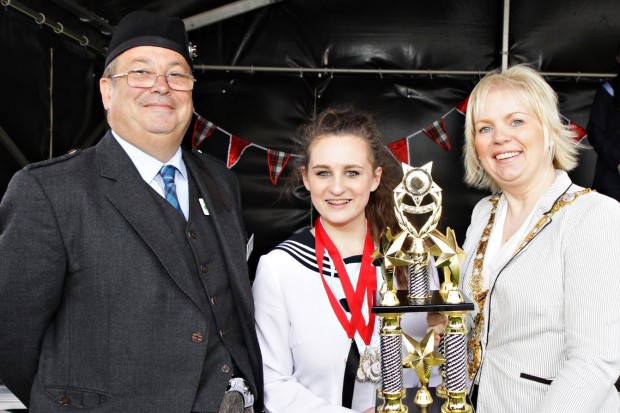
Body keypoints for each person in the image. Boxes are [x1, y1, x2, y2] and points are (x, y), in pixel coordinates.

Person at [0, 10, 262, 413]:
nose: (161, 87)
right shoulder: (49, 190)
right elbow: (11, 337)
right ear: (107, 91)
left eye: (177, 75)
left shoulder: (219, 180)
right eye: (140, 73)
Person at [429, 64, 620, 412]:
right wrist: (453, 323)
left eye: (516, 121)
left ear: (548, 129)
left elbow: (594, 363)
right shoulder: (484, 213)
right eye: (485, 128)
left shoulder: (594, 215)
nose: (500, 137)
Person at [252, 107, 440, 413]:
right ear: (306, 178)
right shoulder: (280, 267)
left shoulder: (412, 258)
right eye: (323, 172)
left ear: (375, 178)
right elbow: (271, 382)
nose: (337, 187)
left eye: (352, 172)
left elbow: (435, 368)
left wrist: (442, 334)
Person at [586, 42, 620, 202]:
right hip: (611, 178)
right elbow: (594, 131)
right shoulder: (608, 90)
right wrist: (617, 160)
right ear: (618, 58)